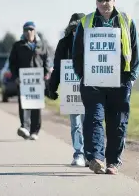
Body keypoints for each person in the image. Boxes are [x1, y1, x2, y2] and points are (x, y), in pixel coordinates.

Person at [72, 0, 139, 174]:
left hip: (120, 82)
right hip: (93, 82)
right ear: (96, 1)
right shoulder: (85, 22)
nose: (104, 3)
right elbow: (76, 54)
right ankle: (96, 158)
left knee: (117, 122)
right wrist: (82, 76)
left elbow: (135, 53)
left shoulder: (127, 21)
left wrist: (131, 78)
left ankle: (113, 162)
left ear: (114, 0)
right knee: (94, 119)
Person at [47, 13, 87, 166]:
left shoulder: (91, 41)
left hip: (90, 89)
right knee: (76, 123)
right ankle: (79, 153)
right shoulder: (64, 43)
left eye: (79, 27)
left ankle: (90, 154)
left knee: (89, 122)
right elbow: (57, 67)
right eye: (73, 27)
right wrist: (52, 87)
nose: (76, 30)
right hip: (71, 90)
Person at [9, 21, 51, 140]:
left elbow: (47, 59)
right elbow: (12, 63)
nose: (29, 32)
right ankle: (25, 128)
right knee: (24, 105)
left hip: (38, 80)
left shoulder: (42, 45)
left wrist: (47, 73)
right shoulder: (18, 45)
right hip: (23, 81)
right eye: (26, 30)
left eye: (31, 29)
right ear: (23, 32)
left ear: (35, 31)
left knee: (36, 106)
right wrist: (15, 77)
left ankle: (34, 131)